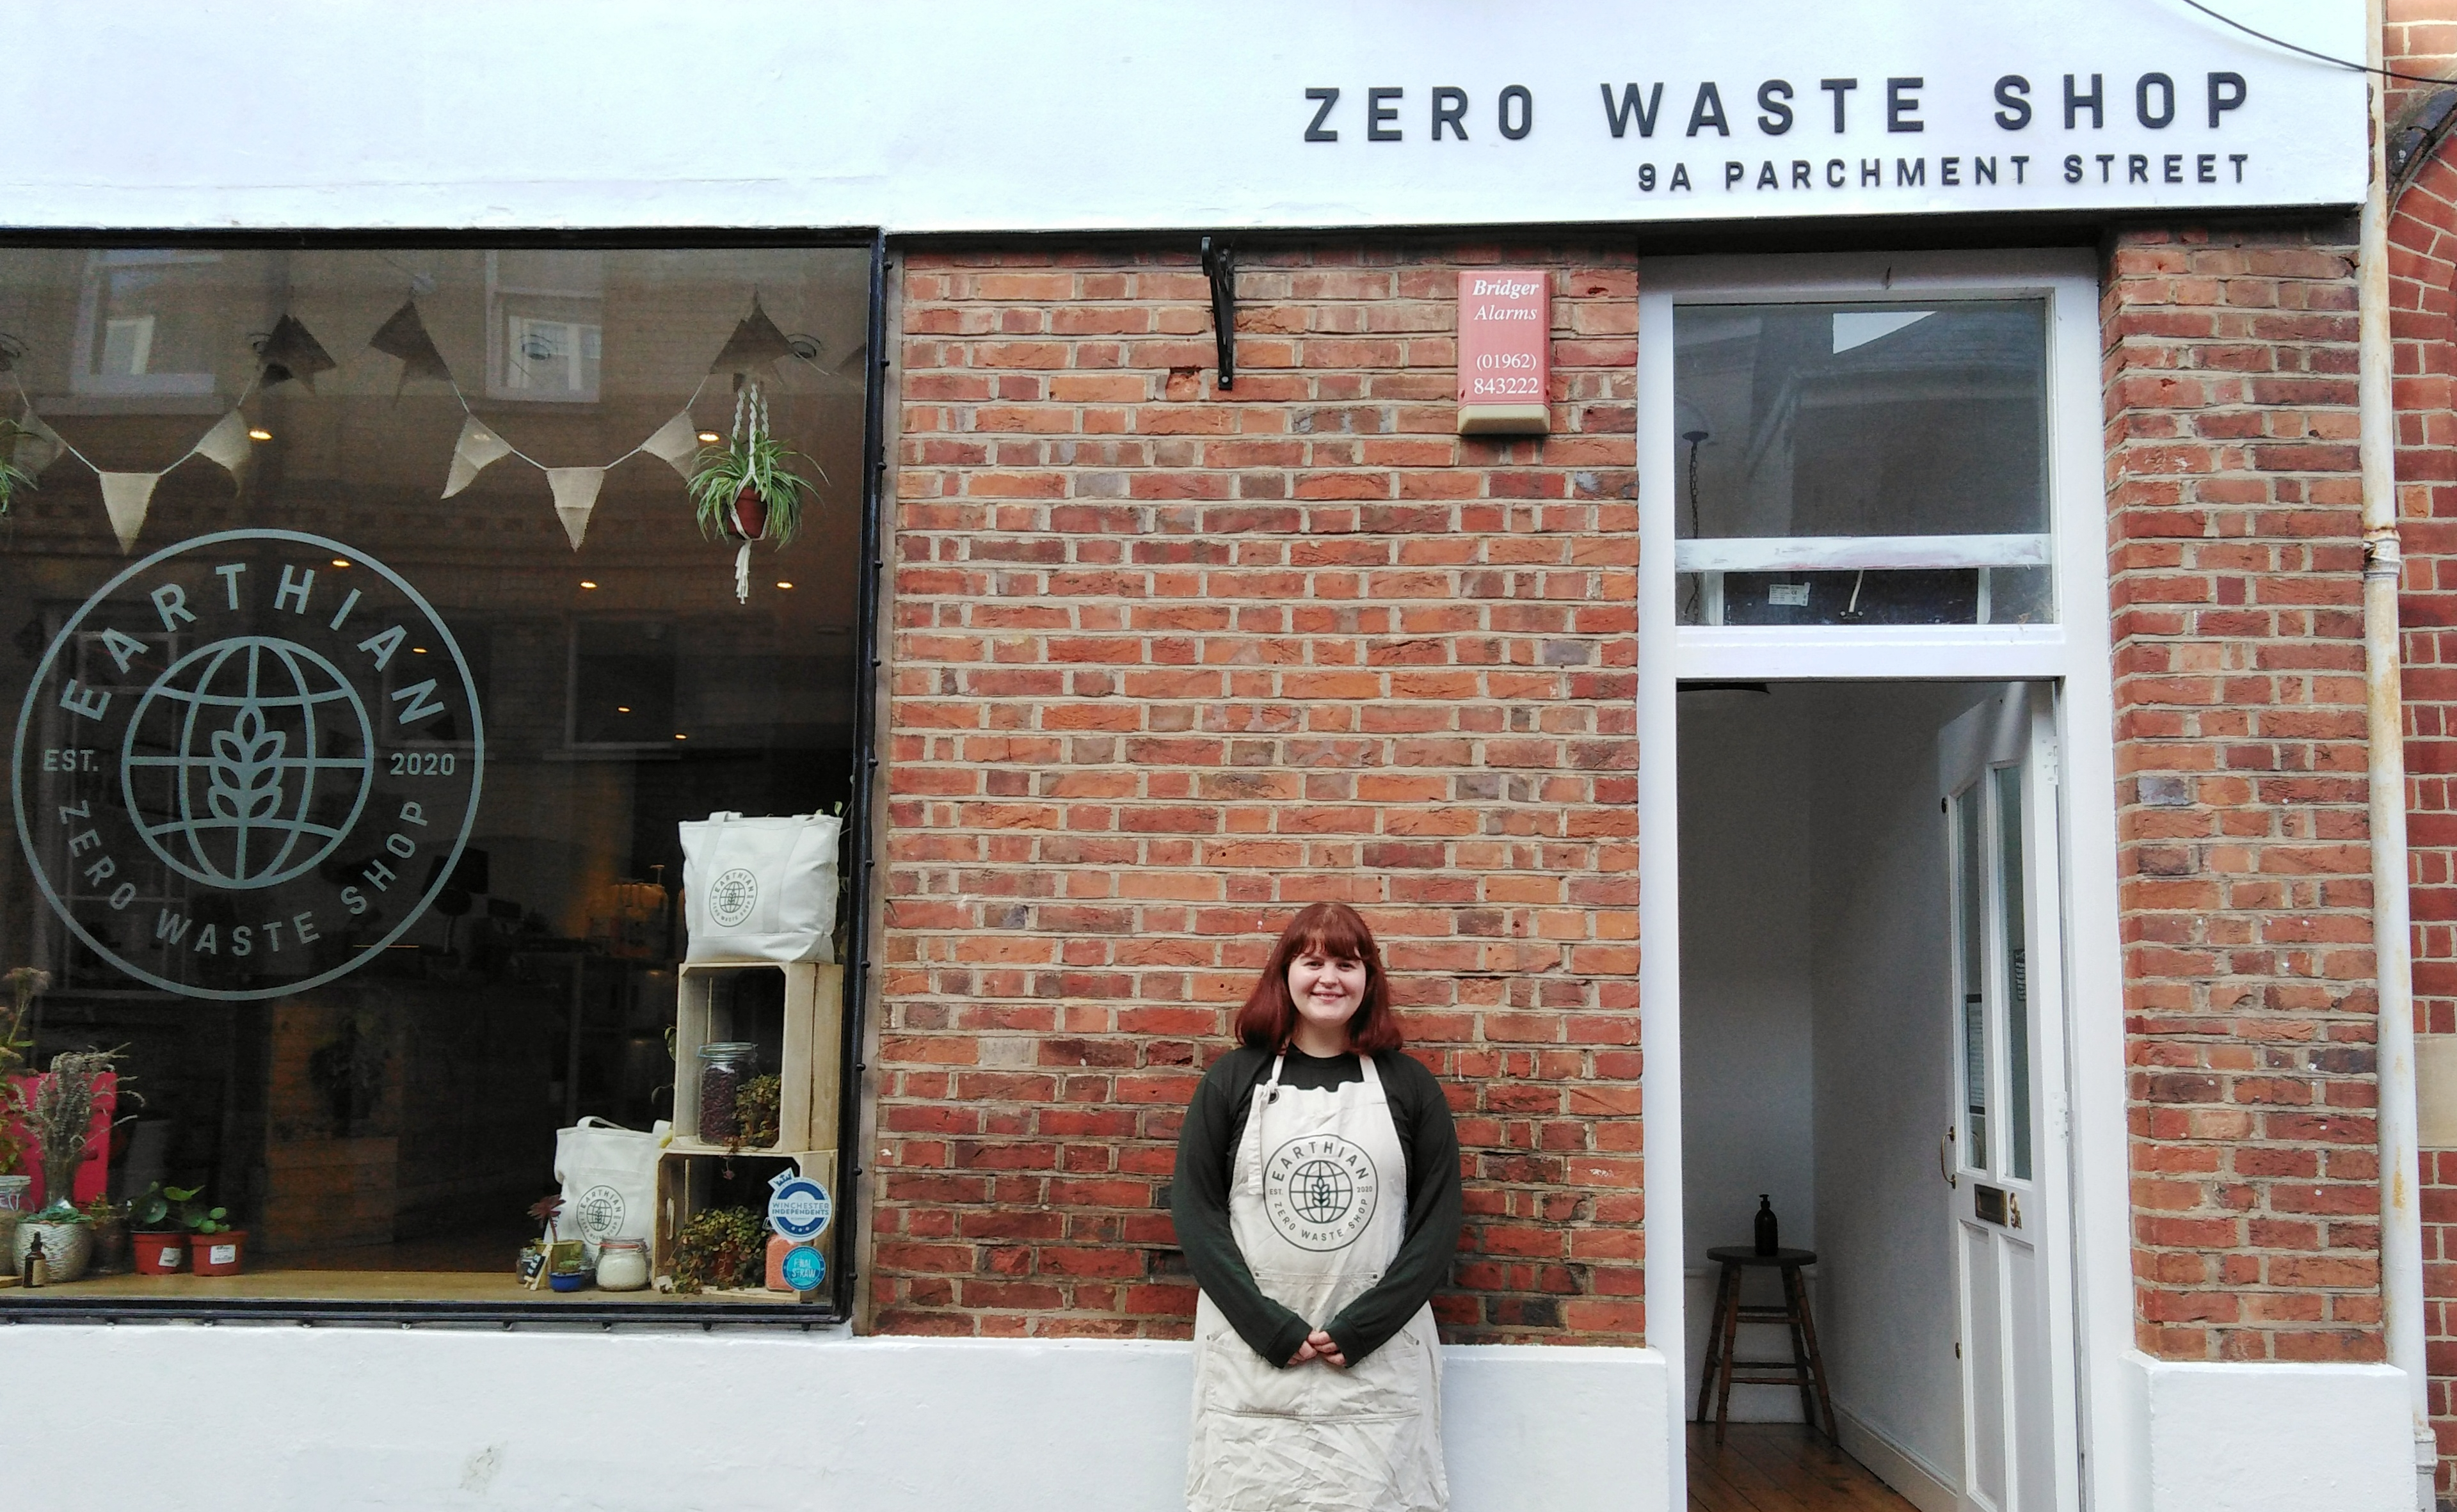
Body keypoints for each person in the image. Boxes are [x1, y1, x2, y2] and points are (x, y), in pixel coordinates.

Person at [1171, 901, 1462, 1512]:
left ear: (1368, 980)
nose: (1329, 978)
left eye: (1347, 963)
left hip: (1374, 1362)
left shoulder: (1410, 1086)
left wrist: (1363, 1326)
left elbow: (1437, 1224)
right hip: (1255, 1359)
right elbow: (1197, 1214)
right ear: (1285, 975)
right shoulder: (1232, 1080)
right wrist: (1268, 1326)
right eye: (1312, 961)